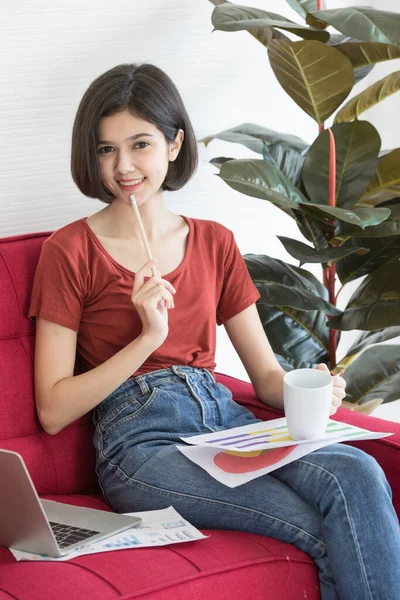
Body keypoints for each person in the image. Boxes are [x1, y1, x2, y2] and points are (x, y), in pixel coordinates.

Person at [29, 63, 400, 600]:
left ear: (175, 144)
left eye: (140, 144)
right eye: (107, 149)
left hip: (226, 423)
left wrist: (309, 387)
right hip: (141, 443)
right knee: (317, 529)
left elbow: (267, 378)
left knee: (359, 474)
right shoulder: (68, 251)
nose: (124, 166)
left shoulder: (214, 242)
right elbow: (53, 408)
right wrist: (147, 339)